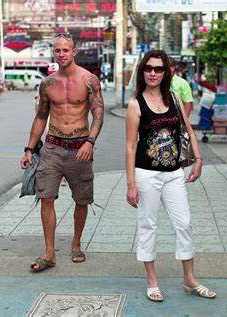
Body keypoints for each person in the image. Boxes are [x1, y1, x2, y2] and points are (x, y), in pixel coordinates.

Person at [125, 50, 215, 302]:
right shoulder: (136, 104)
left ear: (167, 72)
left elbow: (188, 130)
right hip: (146, 174)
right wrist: (130, 184)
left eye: (159, 69)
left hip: (175, 173)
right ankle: (152, 280)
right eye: (149, 68)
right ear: (143, 71)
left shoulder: (174, 98)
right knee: (148, 225)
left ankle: (189, 279)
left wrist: (198, 160)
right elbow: (131, 146)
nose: (153, 73)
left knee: (184, 223)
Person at [21, 33, 104, 271]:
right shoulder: (47, 84)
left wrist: (90, 142)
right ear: (53, 52)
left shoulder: (89, 80)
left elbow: (98, 113)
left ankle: (76, 243)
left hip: (80, 147)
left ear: (74, 51)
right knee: (45, 197)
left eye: (66, 50)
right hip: (52, 147)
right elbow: (41, 117)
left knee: (82, 199)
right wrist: (29, 148)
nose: (61, 54)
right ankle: (49, 253)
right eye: (57, 50)